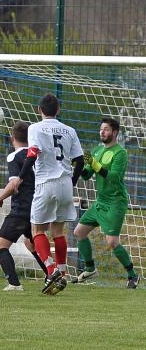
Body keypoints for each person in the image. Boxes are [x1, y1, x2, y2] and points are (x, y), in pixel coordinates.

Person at [9, 93, 84, 295]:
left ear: (39, 110)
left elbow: (32, 154)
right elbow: (81, 161)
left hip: (45, 183)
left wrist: (20, 178)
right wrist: (72, 182)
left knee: (37, 231)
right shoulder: (69, 130)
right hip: (65, 184)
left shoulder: (35, 128)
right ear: (58, 110)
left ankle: (51, 271)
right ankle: (62, 272)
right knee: (58, 230)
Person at [73, 117, 140, 288]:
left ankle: (133, 275)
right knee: (79, 232)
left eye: (106, 129)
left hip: (116, 202)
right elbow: (87, 175)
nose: (102, 132)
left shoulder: (120, 153)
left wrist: (95, 166)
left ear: (115, 133)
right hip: (101, 201)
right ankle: (90, 269)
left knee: (112, 241)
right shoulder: (96, 150)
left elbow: (113, 177)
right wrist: (79, 166)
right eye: (101, 129)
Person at [0, 121, 48, 291]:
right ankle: (52, 275)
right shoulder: (37, 155)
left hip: (22, 209)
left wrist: (0, 197)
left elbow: (14, 184)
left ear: (12, 138)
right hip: (38, 206)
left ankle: (14, 284)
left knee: (0, 247)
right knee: (31, 243)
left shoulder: (14, 157)